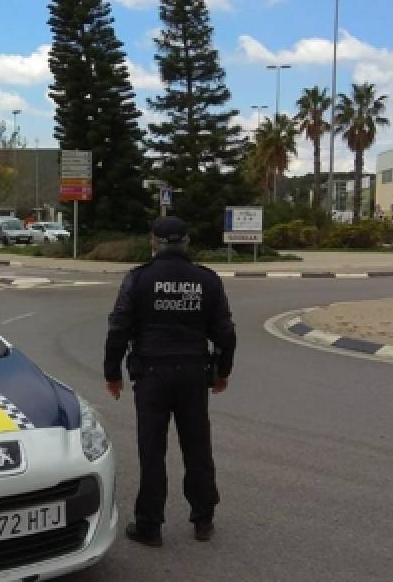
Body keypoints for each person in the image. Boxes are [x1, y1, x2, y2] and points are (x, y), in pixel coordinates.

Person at [104, 216, 237, 547]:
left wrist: (112, 372)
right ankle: (203, 519)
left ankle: (150, 525)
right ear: (187, 243)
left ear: (154, 242)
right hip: (193, 375)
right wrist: (223, 371)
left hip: (151, 376)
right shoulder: (207, 280)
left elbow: (119, 328)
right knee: (197, 447)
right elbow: (226, 334)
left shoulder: (139, 279)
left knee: (152, 451)